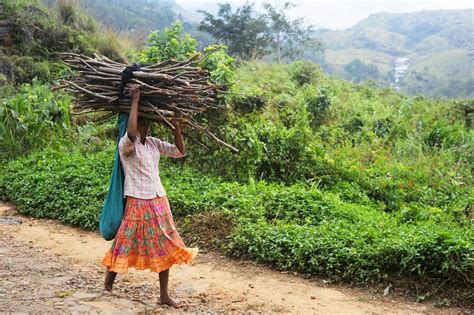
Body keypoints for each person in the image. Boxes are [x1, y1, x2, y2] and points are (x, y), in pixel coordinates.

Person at [101, 84, 198, 308]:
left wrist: (176, 127)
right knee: (124, 242)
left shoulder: (153, 144)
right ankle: (107, 283)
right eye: (143, 122)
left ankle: (164, 294)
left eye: (147, 123)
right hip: (137, 201)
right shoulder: (126, 145)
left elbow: (179, 151)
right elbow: (132, 133)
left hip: (158, 199)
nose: (146, 127)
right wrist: (135, 101)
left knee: (165, 243)